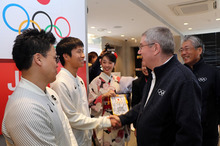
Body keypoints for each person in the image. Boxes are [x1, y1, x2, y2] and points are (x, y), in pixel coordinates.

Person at [110, 26, 203, 146]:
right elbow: (145, 105)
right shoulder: (155, 74)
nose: (139, 51)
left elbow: (190, 135)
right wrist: (123, 119)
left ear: (155, 48)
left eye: (141, 46)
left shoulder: (184, 80)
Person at [1, 29, 77, 146]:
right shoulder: (25, 110)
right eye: (55, 58)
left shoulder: (50, 92)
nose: (58, 63)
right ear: (38, 59)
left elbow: (66, 127)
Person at [50, 37, 118, 146]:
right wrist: (104, 121)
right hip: (71, 140)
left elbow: (84, 110)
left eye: (83, 51)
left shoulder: (79, 80)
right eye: (79, 51)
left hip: (85, 137)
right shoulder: (60, 83)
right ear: (66, 56)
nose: (83, 55)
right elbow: (71, 118)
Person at [180, 35, 220, 146]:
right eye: (182, 50)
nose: (183, 53)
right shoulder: (178, 73)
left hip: (207, 133)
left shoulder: (213, 72)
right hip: (183, 134)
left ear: (199, 50)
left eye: (187, 48)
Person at [89, 52, 130, 146]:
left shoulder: (119, 80)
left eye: (110, 63)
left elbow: (127, 97)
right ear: (101, 63)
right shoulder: (96, 82)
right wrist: (103, 96)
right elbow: (90, 102)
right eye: (104, 62)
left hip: (118, 117)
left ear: (114, 64)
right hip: (104, 119)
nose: (107, 65)